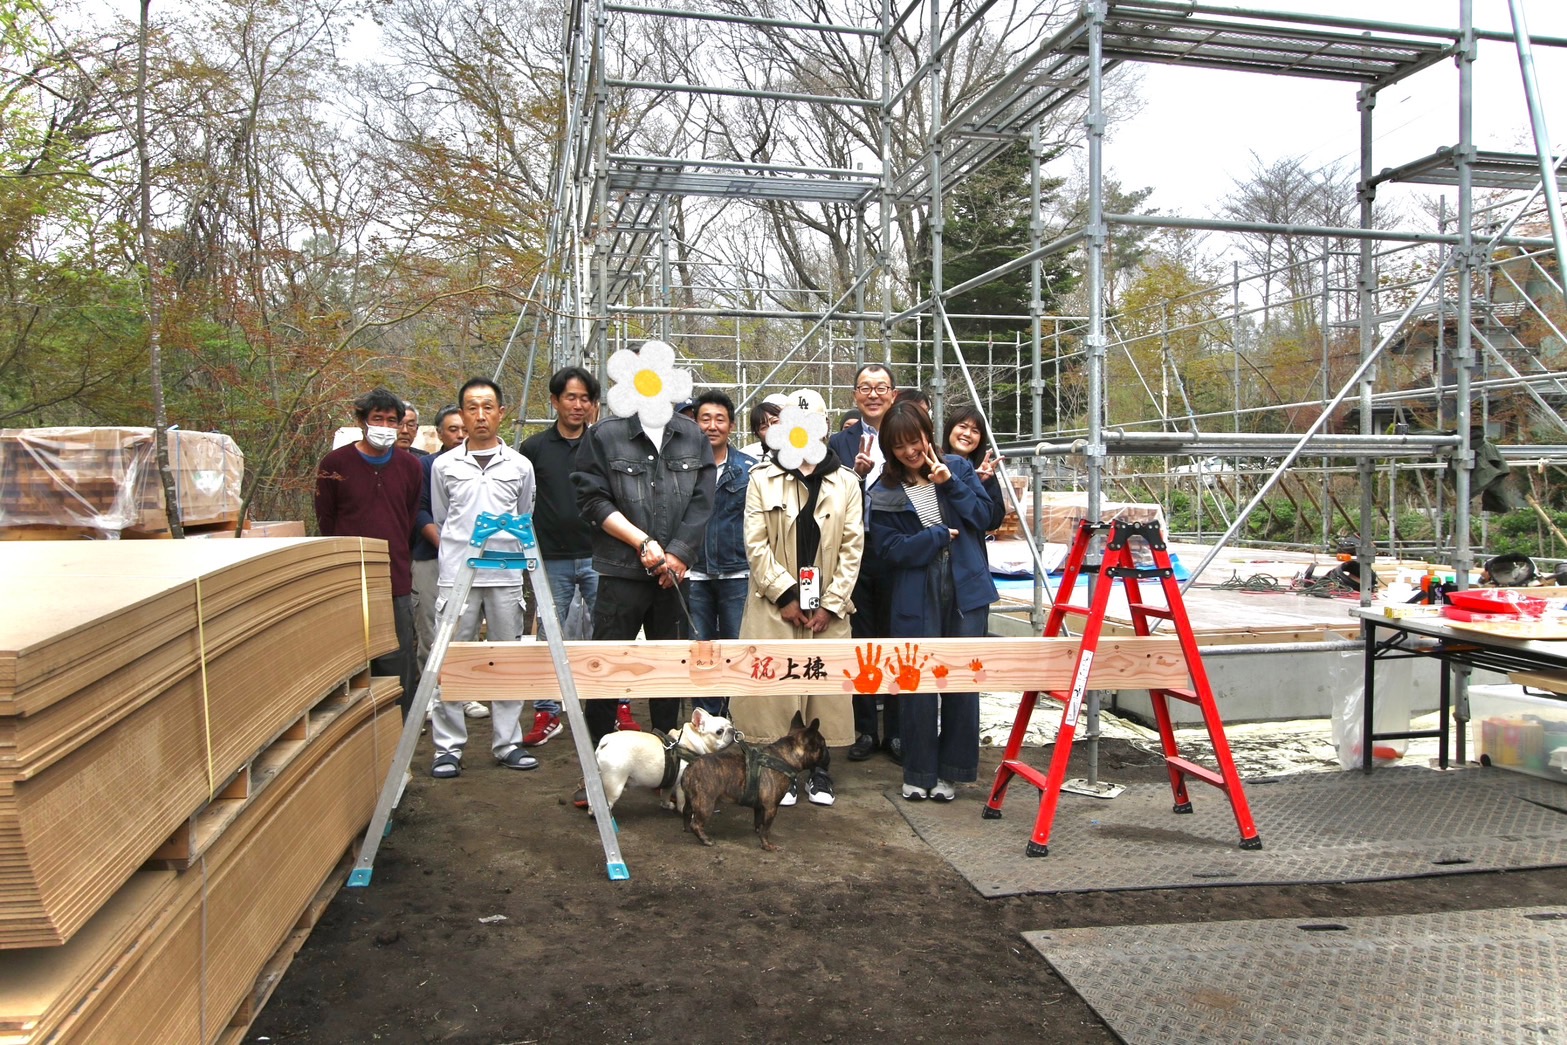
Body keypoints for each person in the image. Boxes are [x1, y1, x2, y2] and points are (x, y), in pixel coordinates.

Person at [573, 340, 716, 747]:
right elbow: (592, 500)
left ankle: (667, 759)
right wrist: (643, 542)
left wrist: (677, 555)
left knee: (668, 671)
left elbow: (703, 501)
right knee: (607, 668)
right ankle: (598, 762)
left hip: (675, 575)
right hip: (620, 573)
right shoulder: (604, 435)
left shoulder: (692, 435)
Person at [729, 396, 861, 806]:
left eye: (813, 421)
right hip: (775, 607)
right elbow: (755, 545)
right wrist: (785, 594)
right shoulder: (761, 479)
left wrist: (831, 603)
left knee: (822, 692)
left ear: (823, 427)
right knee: (774, 693)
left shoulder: (846, 481)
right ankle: (774, 773)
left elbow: (853, 547)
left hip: (827, 610)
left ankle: (820, 773)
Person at [867, 402, 997, 802]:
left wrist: (950, 483)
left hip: (965, 589)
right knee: (917, 682)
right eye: (900, 445)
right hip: (915, 591)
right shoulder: (884, 490)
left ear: (928, 434)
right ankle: (919, 770)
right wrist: (936, 537)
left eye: (916, 440)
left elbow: (986, 517)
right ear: (889, 448)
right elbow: (889, 550)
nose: (910, 451)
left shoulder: (957, 468)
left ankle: (953, 771)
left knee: (961, 679)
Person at [427, 377, 537, 778]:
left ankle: (507, 743)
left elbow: (525, 512)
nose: (480, 416)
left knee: (507, 659)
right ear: (462, 414)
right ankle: (447, 748)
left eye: (487, 407)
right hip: (457, 574)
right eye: (471, 408)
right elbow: (443, 516)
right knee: (451, 660)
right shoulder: (444, 465)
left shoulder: (520, 465)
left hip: (506, 573)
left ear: (501, 413)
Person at [518, 366, 635, 743]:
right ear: (554, 401)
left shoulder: (604, 443)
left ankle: (616, 705)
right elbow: (526, 503)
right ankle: (545, 711)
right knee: (548, 635)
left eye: (585, 398)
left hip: (600, 556)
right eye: (570, 397)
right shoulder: (534, 449)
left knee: (611, 632)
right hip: (551, 558)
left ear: (594, 404)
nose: (578, 405)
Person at [314, 387, 423, 719]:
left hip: (395, 579)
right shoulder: (335, 464)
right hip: (348, 580)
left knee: (397, 656)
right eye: (378, 419)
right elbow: (326, 519)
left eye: (393, 420)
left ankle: (398, 732)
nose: (386, 427)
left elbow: (408, 516)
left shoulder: (410, 466)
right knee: (352, 659)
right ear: (362, 420)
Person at [826, 363, 900, 763]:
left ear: (893, 393)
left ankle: (899, 731)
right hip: (854, 552)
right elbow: (828, 498)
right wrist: (854, 475)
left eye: (881, 387)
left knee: (899, 638)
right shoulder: (839, 442)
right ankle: (866, 729)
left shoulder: (906, 434)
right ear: (855, 394)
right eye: (865, 388)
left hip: (900, 552)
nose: (873, 394)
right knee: (862, 642)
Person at [411, 405, 490, 722]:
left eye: (463, 429)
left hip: (475, 561)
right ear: (439, 433)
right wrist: (446, 545)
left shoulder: (482, 464)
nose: (459, 435)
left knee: (465, 631)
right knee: (432, 627)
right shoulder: (430, 465)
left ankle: (465, 692)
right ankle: (432, 694)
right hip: (433, 558)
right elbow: (423, 511)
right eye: (452, 430)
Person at [685, 390, 755, 718]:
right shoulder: (681, 467)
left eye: (720, 419)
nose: (712, 426)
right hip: (693, 573)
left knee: (735, 649)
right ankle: (705, 720)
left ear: (731, 425)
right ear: (695, 423)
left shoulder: (749, 469)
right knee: (700, 651)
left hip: (737, 573)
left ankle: (734, 719)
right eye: (705, 419)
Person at [942, 404, 1006, 533]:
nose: (967, 434)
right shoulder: (932, 465)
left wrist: (985, 482)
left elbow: (994, 521)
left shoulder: (984, 471)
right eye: (962, 426)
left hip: (970, 548)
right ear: (949, 429)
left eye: (975, 431)